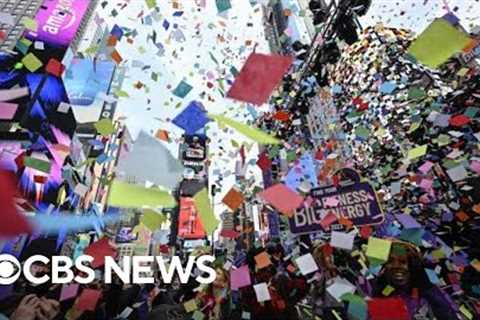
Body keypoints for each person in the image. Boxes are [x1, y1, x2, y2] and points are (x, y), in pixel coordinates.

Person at [373, 241, 459, 320]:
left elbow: (444, 310)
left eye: (402, 262)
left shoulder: (424, 283)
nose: (396, 266)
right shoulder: (383, 282)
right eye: (391, 261)